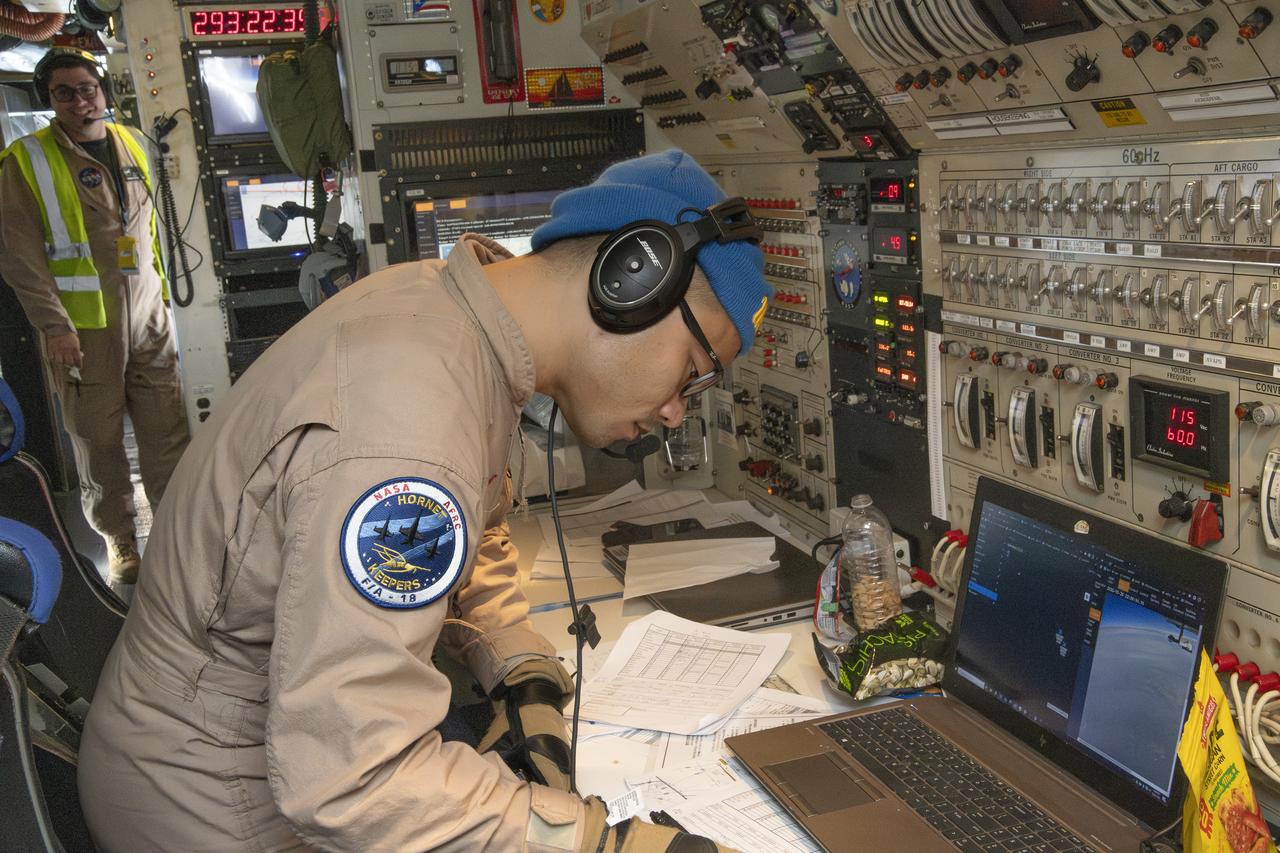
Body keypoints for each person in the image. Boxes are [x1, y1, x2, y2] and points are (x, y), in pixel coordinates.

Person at [78, 149, 770, 851]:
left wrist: (517, 666)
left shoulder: (450, 315)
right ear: (634, 281)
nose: (677, 413)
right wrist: (599, 840)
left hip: (240, 757)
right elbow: (353, 777)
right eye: (692, 372)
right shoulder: (411, 417)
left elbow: (460, 525)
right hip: (213, 799)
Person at [0, 47, 190, 585]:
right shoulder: (27, 160)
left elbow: (150, 232)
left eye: (87, 88)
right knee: (99, 441)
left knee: (167, 433)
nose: (80, 100)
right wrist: (54, 326)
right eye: (65, 92)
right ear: (50, 101)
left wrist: (168, 302)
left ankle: (177, 535)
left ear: (102, 91)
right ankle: (121, 541)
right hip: (84, 330)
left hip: (150, 317)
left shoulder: (132, 143)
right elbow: (18, 255)